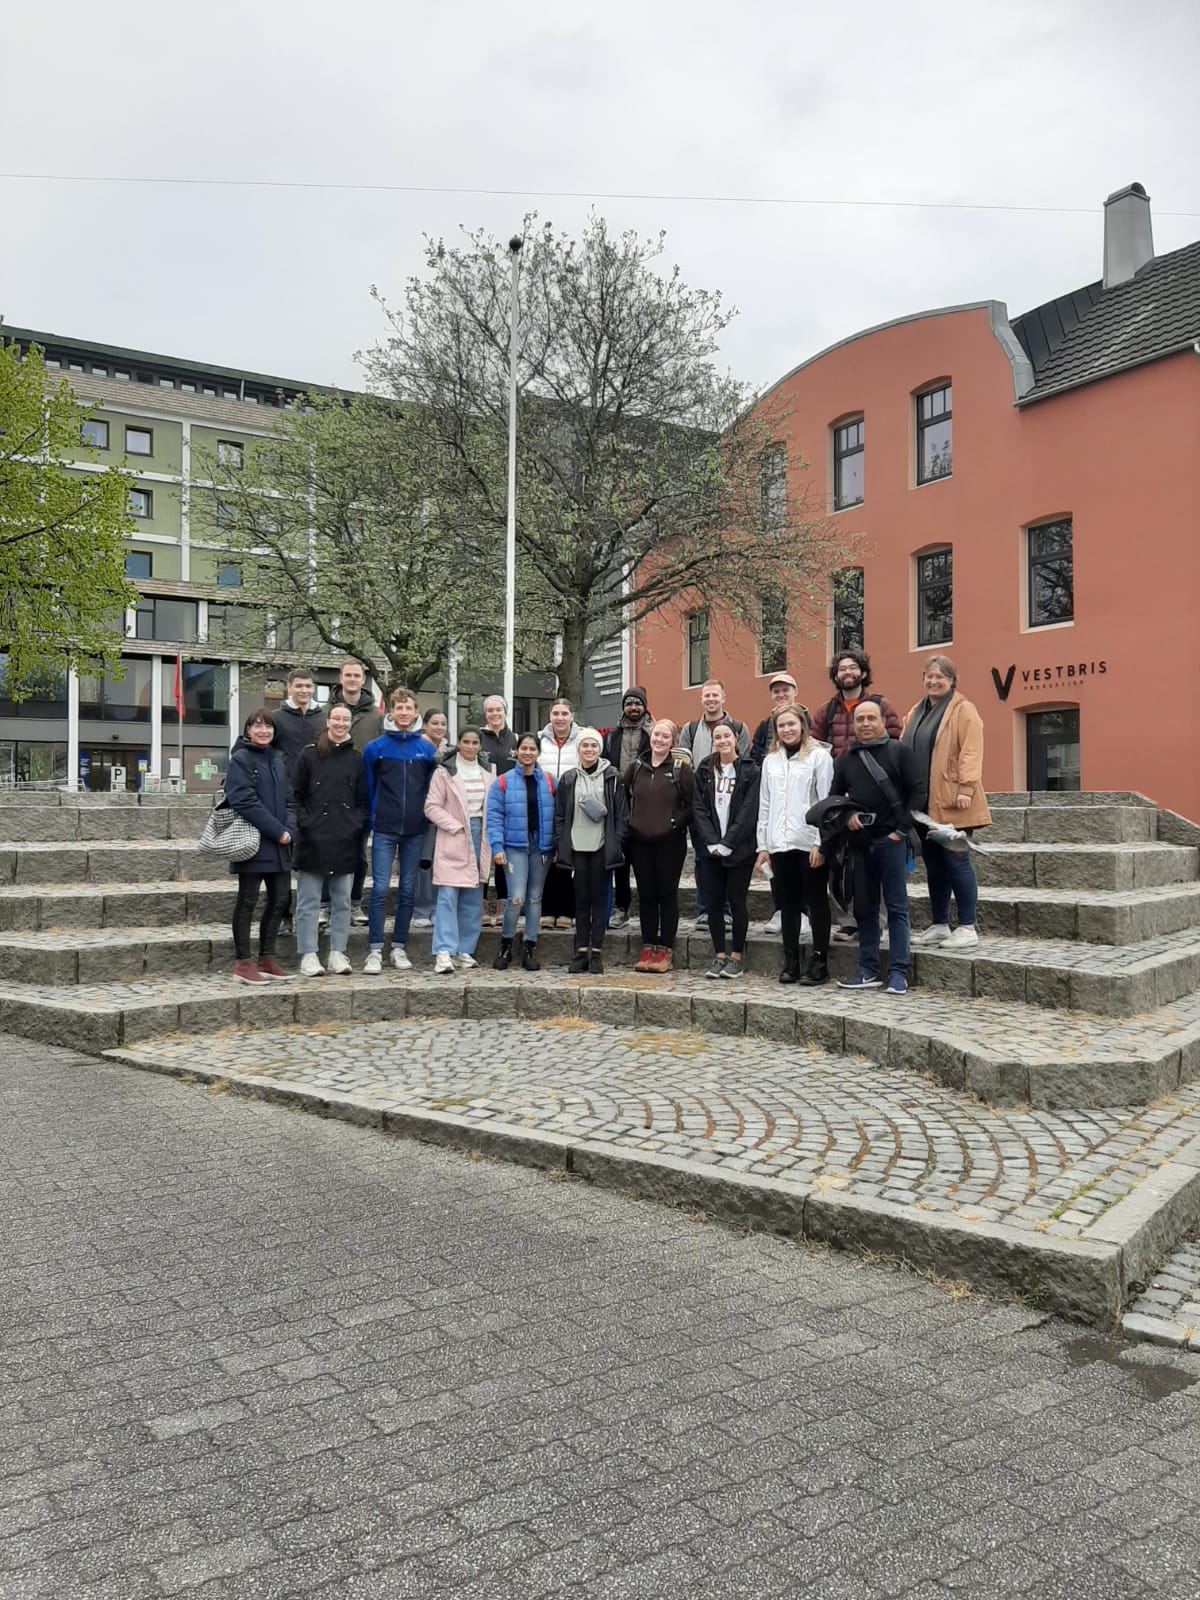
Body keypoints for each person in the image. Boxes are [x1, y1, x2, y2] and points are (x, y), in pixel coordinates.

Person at [829, 700, 921, 996]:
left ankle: (898, 973)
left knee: (896, 907)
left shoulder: (899, 752)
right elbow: (834, 798)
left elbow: (919, 791)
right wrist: (847, 816)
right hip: (861, 843)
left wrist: (901, 831)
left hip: (891, 841)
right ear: (853, 724)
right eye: (860, 719)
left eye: (871, 718)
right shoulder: (846, 759)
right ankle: (867, 970)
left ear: (882, 721)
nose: (866, 724)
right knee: (865, 910)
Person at [903, 654, 991, 951]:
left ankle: (967, 926)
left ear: (952, 680)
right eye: (929, 676)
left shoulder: (963, 709)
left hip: (954, 800)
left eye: (940, 676)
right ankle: (940, 924)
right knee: (934, 866)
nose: (934, 681)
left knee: (957, 861)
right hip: (925, 806)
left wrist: (966, 787)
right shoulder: (916, 711)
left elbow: (971, 750)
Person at [361, 685, 438, 974]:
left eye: (409, 708)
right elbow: (368, 787)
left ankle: (398, 946)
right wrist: (372, 819)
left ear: (416, 712)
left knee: (407, 889)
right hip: (384, 827)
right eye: (399, 708)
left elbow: (431, 789)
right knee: (380, 888)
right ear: (391, 712)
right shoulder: (375, 748)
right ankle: (374, 949)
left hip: (415, 829)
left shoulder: (426, 749)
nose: (404, 713)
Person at [755, 706, 834, 985]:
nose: (787, 730)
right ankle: (791, 961)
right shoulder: (771, 761)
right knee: (787, 903)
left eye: (791, 724)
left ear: (802, 725)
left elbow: (826, 802)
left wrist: (821, 843)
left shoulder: (819, 757)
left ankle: (819, 960)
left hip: (808, 841)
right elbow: (765, 804)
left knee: (816, 900)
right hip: (779, 843)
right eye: (781, 726)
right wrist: (763, 846)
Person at [291, 703, 366, 977]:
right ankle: (308, 954)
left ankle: (337, 952)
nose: (341, 724)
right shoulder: (309, 755)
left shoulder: (356, 758)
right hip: (312, 838)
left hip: (345, 838)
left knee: (342, 901)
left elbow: (362, 800)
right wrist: (306, 822)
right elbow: (296, 796)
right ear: (328, 721)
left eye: (346, 719)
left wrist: (355, 824)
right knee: (309, 900)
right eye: (336, 718)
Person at [224, 709, 293, 986]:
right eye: (257, 726)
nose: (263, 731)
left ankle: (266, 958)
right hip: (253, 842)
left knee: (280, 899)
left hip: (280, 843)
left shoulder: (278, 759)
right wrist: (278, 831)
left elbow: (290, 800)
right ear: (248, 730)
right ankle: (242, 963)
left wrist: (290, 829)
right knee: (248, 901)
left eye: (268, 726)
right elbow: (243, 800)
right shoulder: (241, 759)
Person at [552, 728, 629, 975]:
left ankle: (596, 952)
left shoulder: (612, 776)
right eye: (585, 745)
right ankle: (580, 951)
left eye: (594, 746)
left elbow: (622, 814)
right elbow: (560, 815)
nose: (589, 750)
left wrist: (616, 841)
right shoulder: (569, 778)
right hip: (576, 847)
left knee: (599, 899)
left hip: (601, 846)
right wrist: (560, 842)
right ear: (579, 749)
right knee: (581, 900)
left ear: (599, 749)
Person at [678, 681, 750, 933]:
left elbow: (744, 764)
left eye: (715, 695)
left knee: (730, 860)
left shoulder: (739, 728)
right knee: (702, 861)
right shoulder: (689, 729)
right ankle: (705, 910)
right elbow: (683, 765)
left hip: (730, 806)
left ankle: (726, 911)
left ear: (723, 697)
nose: (711, 699)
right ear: (701, 699)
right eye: (706, 695)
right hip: (701, 807)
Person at [692, 723, 760, 981]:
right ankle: (719, 954)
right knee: (713, 902)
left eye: (726, 736)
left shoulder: (750, 770)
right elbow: (698, 807)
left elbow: (749, 810)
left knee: (737, 901)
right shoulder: (705, 769)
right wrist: (711, 841)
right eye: (717, 737)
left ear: (736, 738)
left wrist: (729, 842)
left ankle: (736, 957)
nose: (722, 741)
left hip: (739, 849)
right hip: (710, 850)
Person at [623, 718, 693, 973]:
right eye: (656, 735)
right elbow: (624, 798)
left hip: (670, 843)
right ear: (650, 737)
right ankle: (648, 945)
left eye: (665, 736)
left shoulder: (680, 769)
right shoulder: (636, 768)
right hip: (640, 842)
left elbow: (692, 805)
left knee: (667, 894)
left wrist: (675, 822)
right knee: (646, 895)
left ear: (672, 741)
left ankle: (665, 948)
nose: (659, 740)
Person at [424, 727, 495, 974]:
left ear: (480, 745)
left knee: (473, 898)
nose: (470, 746)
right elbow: (432, 806)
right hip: (454, 834)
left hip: (480, 834)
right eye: (466, 742)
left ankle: (465, 949)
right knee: (447, 895)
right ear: (459, 743)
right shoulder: (444, 771)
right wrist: (454, 826)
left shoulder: (489, 771)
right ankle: (444, 951)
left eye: (475, 743)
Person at [486, 732, 556, 971]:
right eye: (523, 748)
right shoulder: (502, 782)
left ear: (538, 753)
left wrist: (557, 844)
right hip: (514, 846)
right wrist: (496, 846)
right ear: (516, 751)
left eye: (532, 749)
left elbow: (558, 814)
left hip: (541, 847)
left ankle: (529, 946)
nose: (528, 753)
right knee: (516, 898)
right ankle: (505, 945)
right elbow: (494, 817)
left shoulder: (549, 781)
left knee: (535, 897)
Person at [319, 658, 381, 926]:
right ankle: (324, 905)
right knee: (326, 849)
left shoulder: (376, 717)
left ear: (363, 679)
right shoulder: (324, 712)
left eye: (357, 675)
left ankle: (354, 903)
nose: (353, 679)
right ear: (340, 677)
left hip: (360, 796)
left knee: (358, 853)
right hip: (328, 794)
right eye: (348, 675)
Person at [749, 671, 805, 936]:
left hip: (800, 809)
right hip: (773, 800)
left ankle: (803, 912)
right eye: (776, 691)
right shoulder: (764, 726)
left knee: (801, 866)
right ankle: (780, 910)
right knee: (776, 862)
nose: (781, 695)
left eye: (785, 690)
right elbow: (755, 758)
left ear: (795, 691)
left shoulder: (807, 720)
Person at [602, 688, 652, 930]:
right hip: (618, 805)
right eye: (629, 703)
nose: (633, 707)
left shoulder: (653, 734)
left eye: (637, 703)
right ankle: (621, 907)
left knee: (645, 863)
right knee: (620, 861)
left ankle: (648, 909)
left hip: (647, 804)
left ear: (644, 707)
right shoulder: (611, 737)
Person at [809, 649, 903, 760]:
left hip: (872, 768)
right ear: (836, 676)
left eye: (853, 667)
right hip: (835, 769)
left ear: (863, 674)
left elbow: (894, 741)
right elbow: (814, 745)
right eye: (842, 669)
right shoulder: (826, 710)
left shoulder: (881, 705)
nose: (848, 672)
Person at [538, 699, 581, 929]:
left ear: (572, 716)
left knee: (567, 856)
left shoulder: (581, 739)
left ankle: (566, 909)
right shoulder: (539, 740)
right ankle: (548, 908)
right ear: (550, 716)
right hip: (545, 805)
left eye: (565, 713)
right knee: (547, 854)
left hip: (572, 805)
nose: (560, 718)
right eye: (556, 713)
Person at [479, 694, 519, 926]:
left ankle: (504, 903)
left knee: (505, 856)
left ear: (505, 711)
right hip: (483, 805)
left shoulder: (515, 739)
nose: (495, 714)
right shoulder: (478, 738)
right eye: (490, 710)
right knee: (484, 854)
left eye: (498, 710)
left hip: (510, 804)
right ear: (485, 714)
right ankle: (481, 903)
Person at [412, 709, 450, 929]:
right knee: (424, 864)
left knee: (442, 863)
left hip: (444, 815)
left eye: (443, 723)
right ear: (425, 725)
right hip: (420, 814)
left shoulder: (449, 751)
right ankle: (422, 908)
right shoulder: (417, 747)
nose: (439, 727)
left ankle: (438, 908)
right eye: (434, 723)